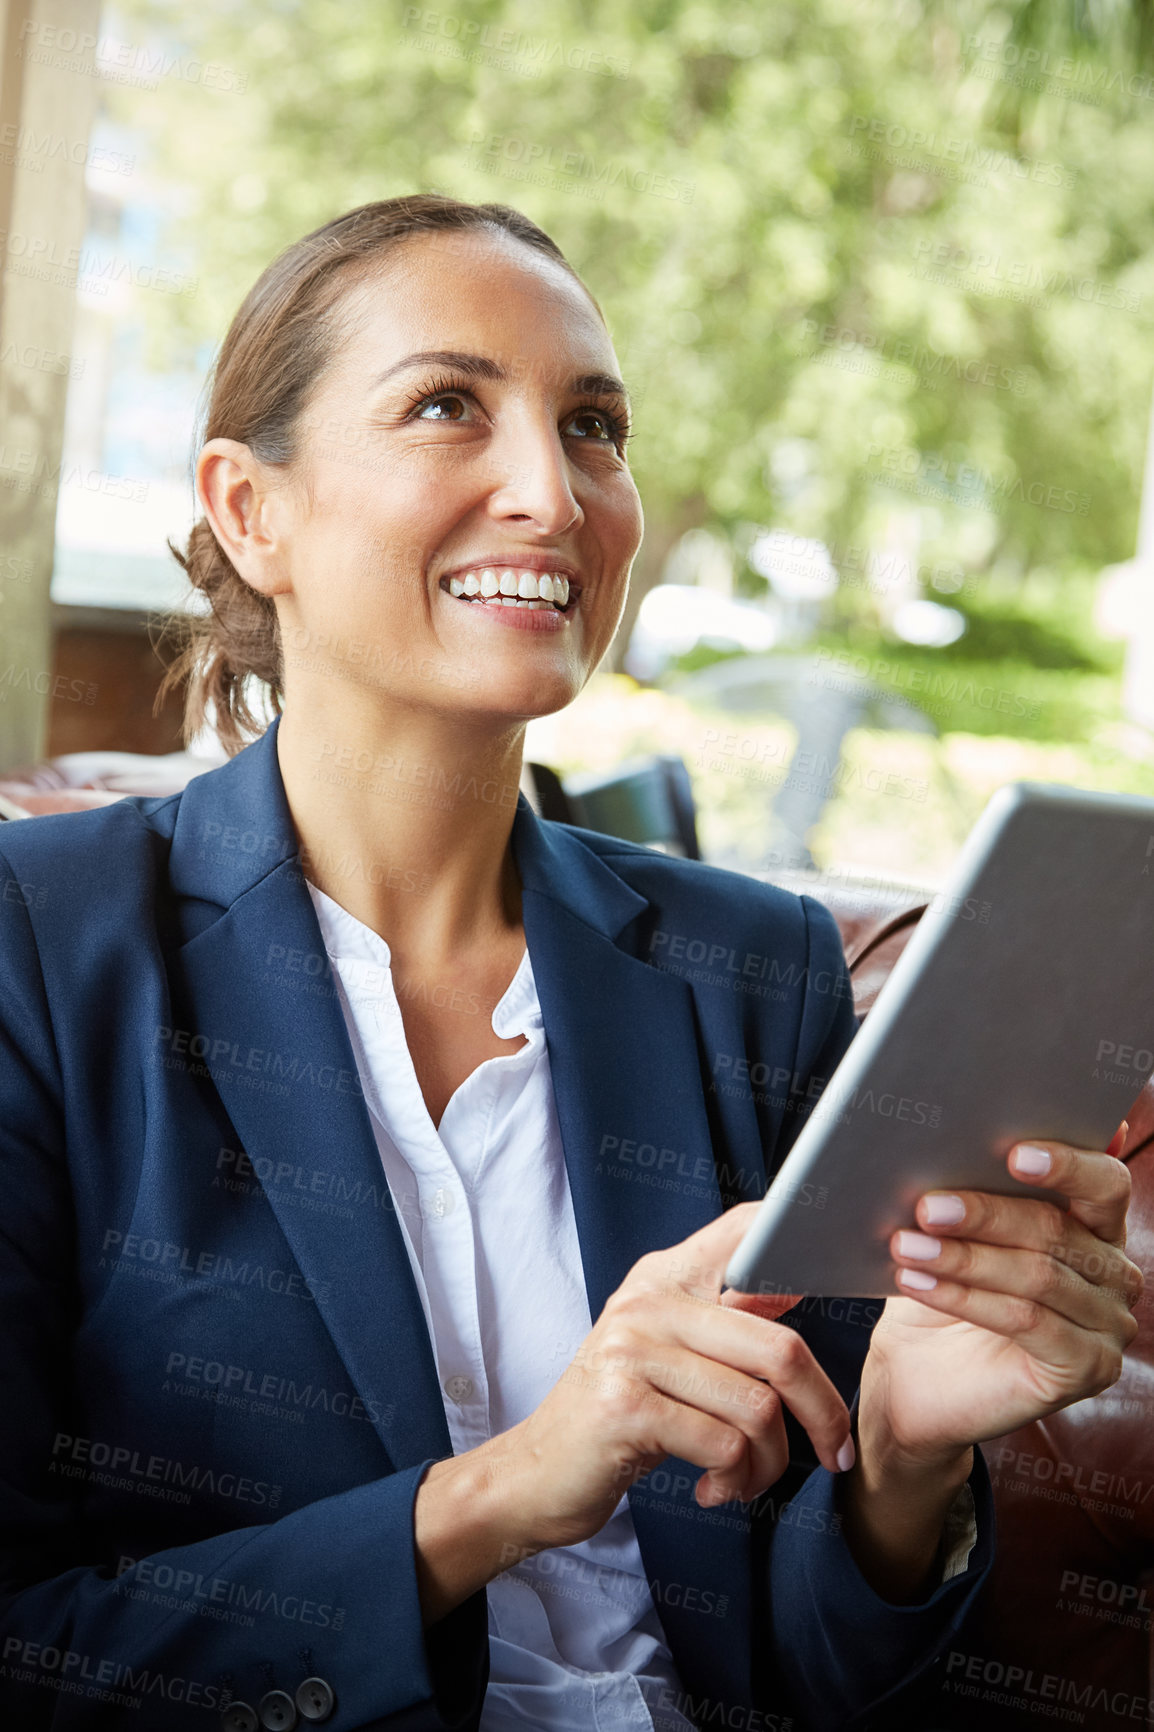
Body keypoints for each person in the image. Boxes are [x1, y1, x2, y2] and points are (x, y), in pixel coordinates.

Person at [0, 194, 1140, 1732]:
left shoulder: (755, 972)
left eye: (592, 425)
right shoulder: (43, 943)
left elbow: (818, 1672)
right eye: (446, 407)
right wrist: (506, 1490)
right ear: (251, 508)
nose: (552, 490)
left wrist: (907, 1460)